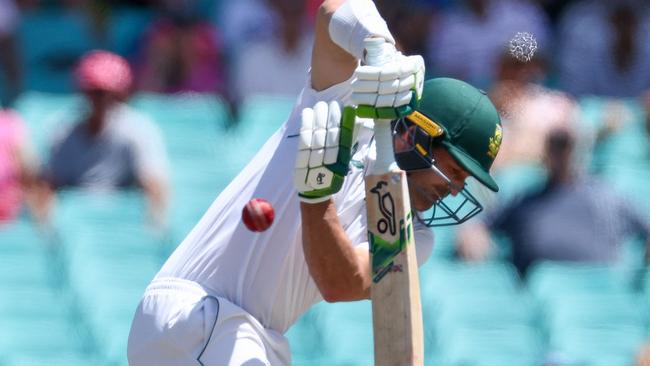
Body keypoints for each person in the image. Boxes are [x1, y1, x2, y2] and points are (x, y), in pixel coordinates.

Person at [127, 0, 503, 364]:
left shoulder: (415, 237)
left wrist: (316, 196)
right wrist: (378, 46)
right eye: (455, 170)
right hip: (195, 314)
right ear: (418, 136)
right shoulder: (339, 109)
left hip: (255, 335)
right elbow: (331, 14)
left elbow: (341, 283)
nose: (454, 189)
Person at [456, 127, 650, 276]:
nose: (562, 155)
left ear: (580, 150)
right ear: (546, 152)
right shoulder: (527, 199)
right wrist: (473, 234)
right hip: (542, 296)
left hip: (600, 292)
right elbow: (480, 227)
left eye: (567, 147)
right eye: (556, 147)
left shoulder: (607, 197)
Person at [38, 50, 169, 226]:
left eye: (109, 93)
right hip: (76, 222)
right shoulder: (63, 131)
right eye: (94, 92)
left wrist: (153, 227)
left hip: (121, 222)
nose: (101, 100)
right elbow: (49, 185)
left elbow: (154, 185)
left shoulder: (138, 130)